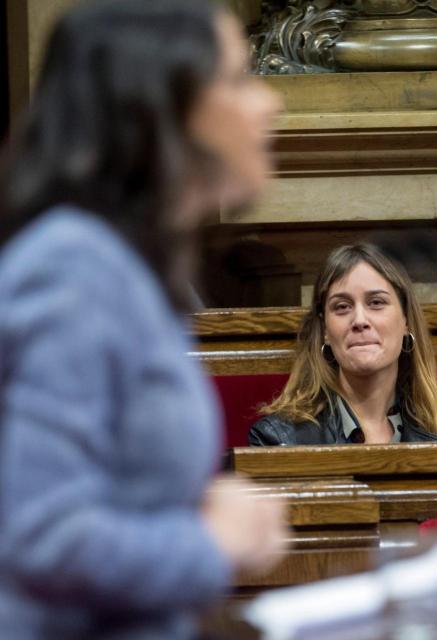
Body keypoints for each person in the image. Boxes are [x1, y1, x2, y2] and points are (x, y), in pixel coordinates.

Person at [0, 1, 286, 638]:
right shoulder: (72, 267)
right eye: (238, 80)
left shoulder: (123, 266)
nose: (271, 104)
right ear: (163, 108)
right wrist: (210, 542)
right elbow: (42, 537)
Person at [249, 244, 437, 445]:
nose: (359, 320)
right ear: (325, 330)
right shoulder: (280, 438)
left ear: (406, 320)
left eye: (376, 303)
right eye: (342, 307)